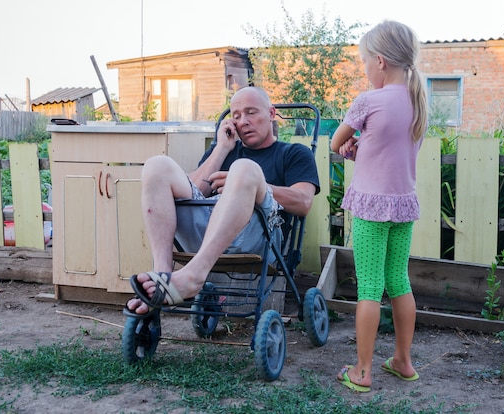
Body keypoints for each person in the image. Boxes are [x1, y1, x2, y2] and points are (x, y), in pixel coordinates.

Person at [125, 86, 320, 314]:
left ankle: (194, 275)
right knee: (156, 165)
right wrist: (221, 149)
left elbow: (304, 202)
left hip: (259, 239)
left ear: (271, 113)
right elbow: (193, 192)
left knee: (244, 169)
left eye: (251, 112)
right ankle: (163, 278)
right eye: (236, 116)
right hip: (208, 235)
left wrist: (248, 185)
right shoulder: (225, 151)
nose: (243, 121)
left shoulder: (293, 153)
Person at [331, 20, 427, 392]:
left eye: (365, 62)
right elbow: (388, 153)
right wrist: (363, 151)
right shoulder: (418, 101)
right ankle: (403, 360)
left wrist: (350, 148)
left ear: (381, 61)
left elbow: (338, 142)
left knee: (369, 288)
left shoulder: (368, 101)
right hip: (404, 206)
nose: (366, 69)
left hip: (372, 208)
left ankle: (363, 371)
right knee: (399, 281)